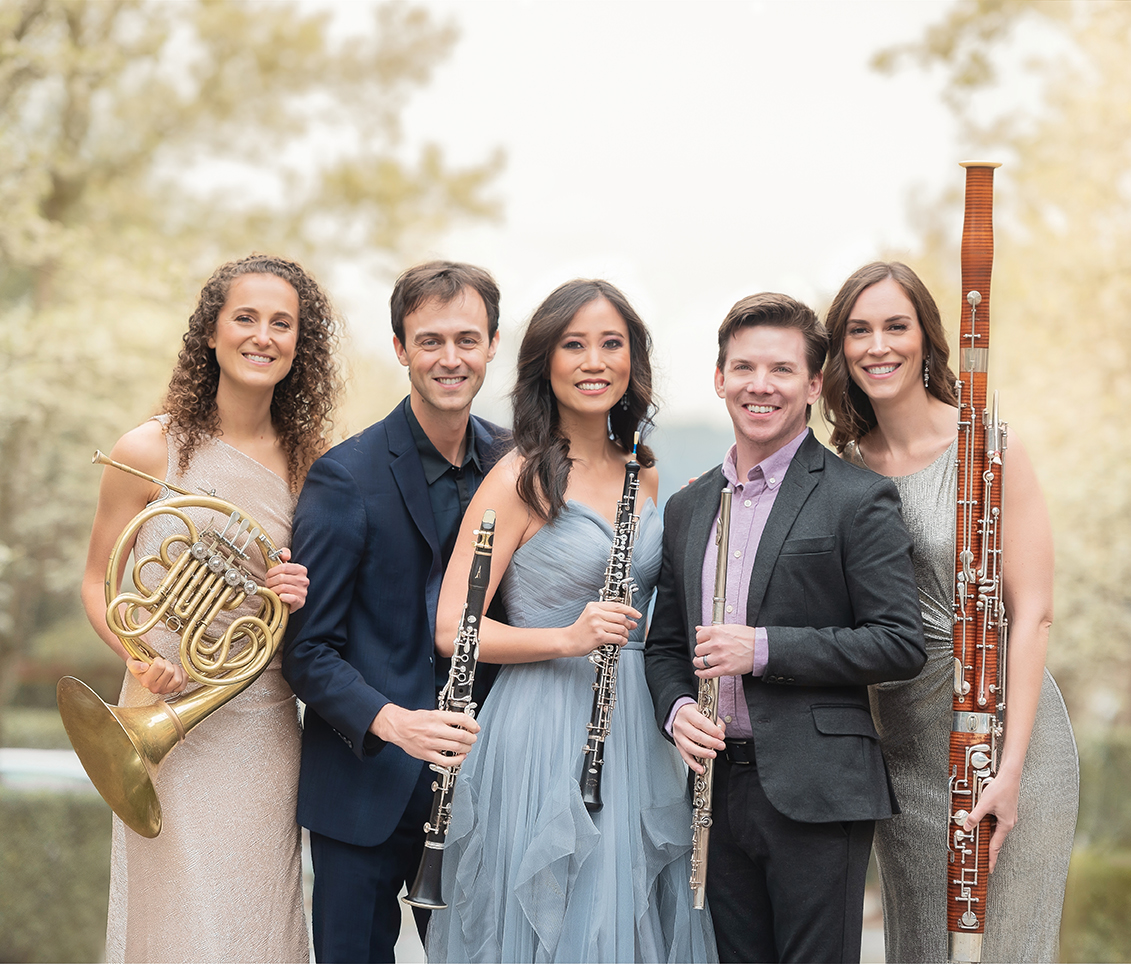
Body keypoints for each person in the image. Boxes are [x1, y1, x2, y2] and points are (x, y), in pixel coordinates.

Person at [424, 279, 717, 963]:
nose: (594, 361)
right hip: (544, 728)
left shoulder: (644, 471)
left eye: (611, 344)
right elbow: (451, 628)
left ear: (632, 362)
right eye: (574, 345)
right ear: (545, 365)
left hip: (635, 729)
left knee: (629, 916)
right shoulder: (520, 477)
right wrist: (568, 637)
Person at [644, 292, 926, 963]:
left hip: (819, 789)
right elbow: (665, 646)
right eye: (743, 368)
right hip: (718, 785)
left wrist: (762, 648)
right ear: (720, 380)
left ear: (813, 384)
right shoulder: (687, 506)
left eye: (779, 370)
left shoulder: (857, 497)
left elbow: (899, 641)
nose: (760, 386)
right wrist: (677, 709)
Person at [83, 254, 337, 963]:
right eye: (246, 318)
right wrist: (139, 657)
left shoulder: (315, 467)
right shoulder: (147, 450)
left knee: (252, 920)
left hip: (258, 720)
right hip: (161, 715)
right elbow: (96, 583)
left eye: (282, 324)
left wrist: (294, 595)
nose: (263, 336)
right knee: (175, 921)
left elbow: (315, 606)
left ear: (299, 344)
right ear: (211, 334)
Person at [821, 261, 1079, 963]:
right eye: (859, 330)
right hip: (902, 753)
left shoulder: (988, 446)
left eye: (896, 326)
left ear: (927, 338)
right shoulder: (840, 468)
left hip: (1005, 741)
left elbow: (1033, 616)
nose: (878, 345)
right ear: (840, 349)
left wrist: (1011, 768)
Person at [282, 261, 510, 963]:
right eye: (431, 340)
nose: (451, 358)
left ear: (493, 345)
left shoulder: (519, 464)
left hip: (484, 787)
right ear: (400, 347)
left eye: (467, 340)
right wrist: (393, 723)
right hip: (363, 788)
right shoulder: (343, 475)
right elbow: (306, 650)